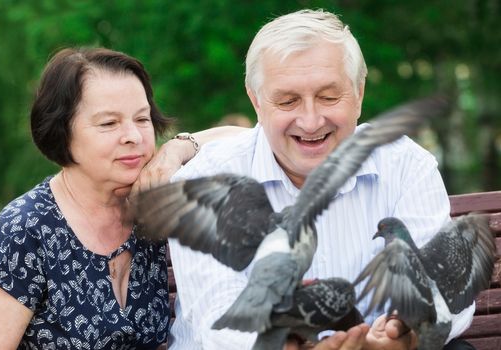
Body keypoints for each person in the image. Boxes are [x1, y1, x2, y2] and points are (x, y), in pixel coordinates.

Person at [150, 9, 475, 350]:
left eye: (329, 96)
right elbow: (218, 315)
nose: (310, 120)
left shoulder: (406, 166)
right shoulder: (206, 179)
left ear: (359, 94)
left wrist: (403, 333)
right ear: (256, 102)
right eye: (288, 101)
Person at [0, 47, 241, 349]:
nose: (134, 136)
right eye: (108, 123)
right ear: (61, 132)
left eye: (142, 119)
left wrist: (178, 148)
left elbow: (253, 142)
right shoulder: (25, 231)